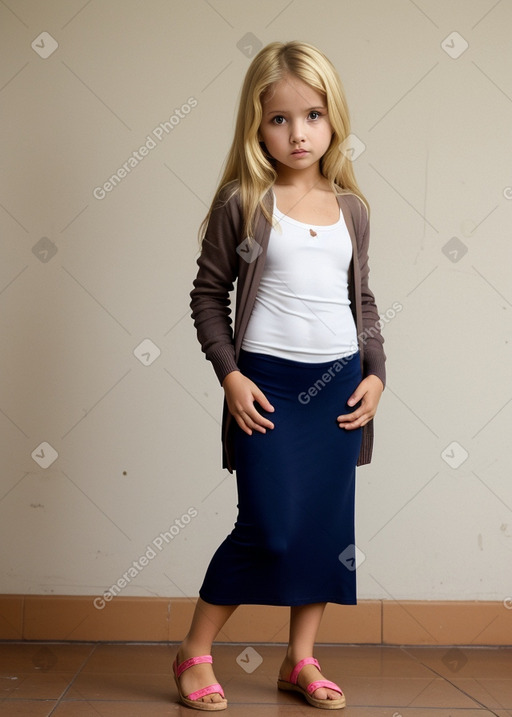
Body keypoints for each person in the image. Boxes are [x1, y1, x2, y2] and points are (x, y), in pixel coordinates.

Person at [173, 40, 386, 711]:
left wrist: (376, 371)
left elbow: (364, 301)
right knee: (270, 526)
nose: (299, 133)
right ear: (256, 125)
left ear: (334, 119)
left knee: (324, 526)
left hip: (339, 385)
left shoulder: (351, 208)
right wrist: (230, 376)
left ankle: (300, 659)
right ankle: (194, 651)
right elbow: (210, 295)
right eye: (280, 119)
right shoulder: (247, 204)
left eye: (314, 115)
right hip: (267, 385)